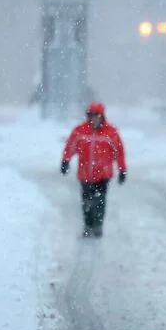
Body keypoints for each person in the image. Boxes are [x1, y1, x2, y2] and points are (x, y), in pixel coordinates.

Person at [61, 101, 127, 238]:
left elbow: (119, 152)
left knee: (99, 201)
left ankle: (98, 226)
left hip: (103, 175)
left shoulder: (111, 132)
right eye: (91, 115)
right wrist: (65, 161)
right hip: (84, 174)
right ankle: (88, 225)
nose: (93, 118)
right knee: (86, 202)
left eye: (96, 115)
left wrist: (122, 169)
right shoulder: (80, 130)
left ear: (102, 116)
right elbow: (70, 146)